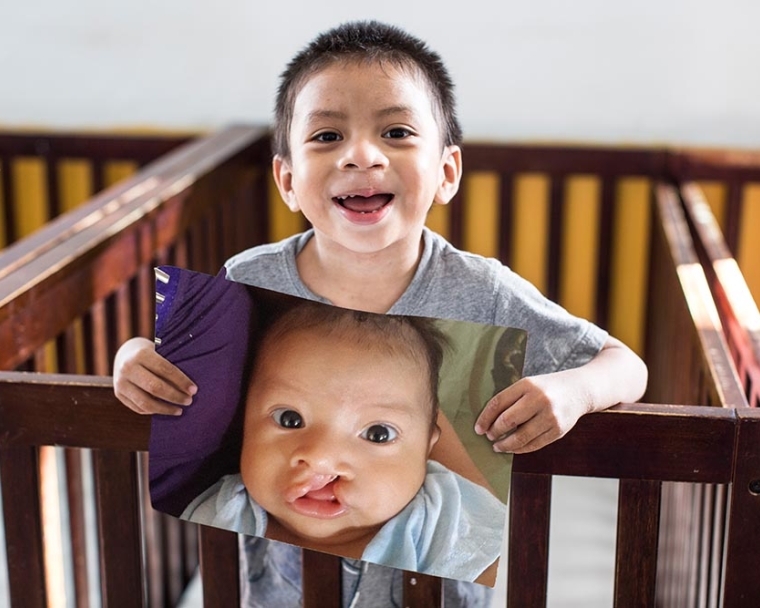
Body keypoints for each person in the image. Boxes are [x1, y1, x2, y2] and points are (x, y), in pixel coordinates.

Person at [114, 19, 648, 607]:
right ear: (287, 180)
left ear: (447, 173)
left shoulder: (482, 291)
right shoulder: (249, 281)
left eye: (395, 131)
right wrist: (135, 355)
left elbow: (625, 365)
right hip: (276, 591)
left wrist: (573, 392)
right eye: (325, 137)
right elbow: (187, 377)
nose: (360, 156)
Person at [179, 301, 506, 585]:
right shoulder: (227, 512)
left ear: (428, 447)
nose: (321, 459)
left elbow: (510, 573)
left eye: (378, 434)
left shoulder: (441, 519)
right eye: (289, 419)